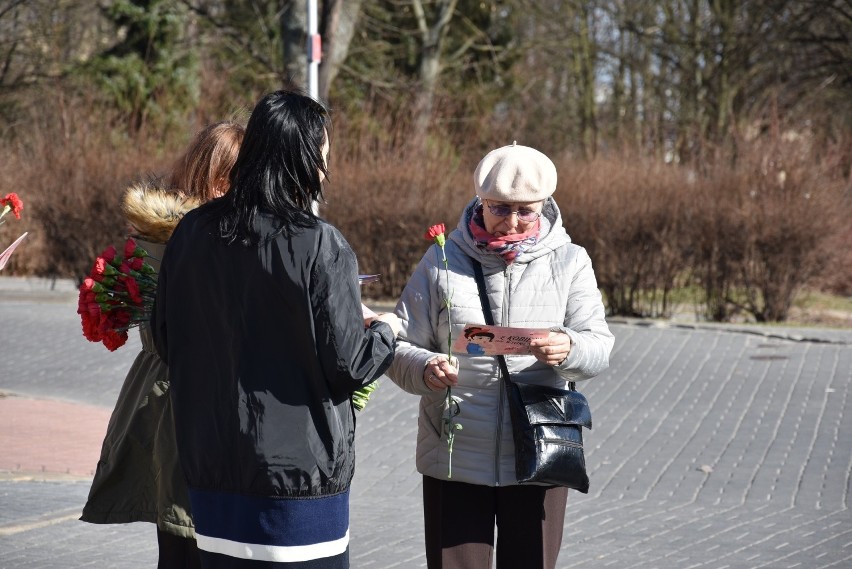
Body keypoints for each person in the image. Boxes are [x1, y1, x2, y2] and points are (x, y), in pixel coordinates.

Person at [151, 90, 401, 569]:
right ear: (304, 158)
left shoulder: (190, 233)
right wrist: (387, 330)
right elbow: (350, 363)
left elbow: (167, 340)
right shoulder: (319, 244)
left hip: (213, 475)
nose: (327, 167)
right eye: (324, 154)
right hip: (299, 486)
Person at [386, 142, 615, 569]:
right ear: (479, 202)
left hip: (538, 450)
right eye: (498, 209)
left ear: (545, 206)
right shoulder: (440, 261)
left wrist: (568, 348)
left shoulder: (570, 262)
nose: (510, 222)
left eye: (525, 211)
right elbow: (398, 344)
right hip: (454, 453)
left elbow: (599, 347)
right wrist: (424, 367)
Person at [81, 120, 246, 568]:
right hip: (191, 413)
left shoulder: (165, 235)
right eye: (245, 177)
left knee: (178, 543)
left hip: (166, 409)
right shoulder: (196, 242)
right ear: (219, 181)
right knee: (193, 543)